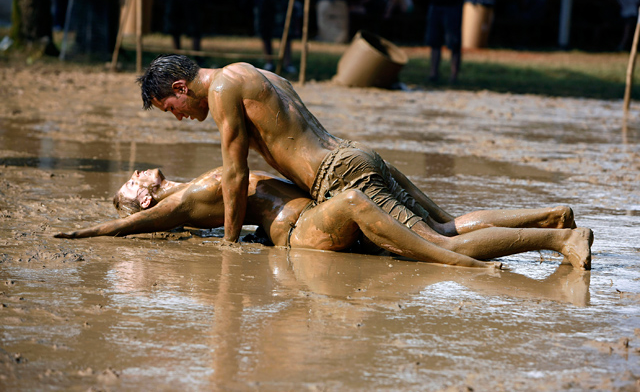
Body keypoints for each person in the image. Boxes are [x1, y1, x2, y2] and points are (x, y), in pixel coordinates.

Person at [136, 54, 592, 270]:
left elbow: (234, 175)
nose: (178, 119)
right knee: (448, 226)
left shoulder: (219, 92)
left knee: (442, 249)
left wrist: (229, 243)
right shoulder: (251, 72)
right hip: (356, 156)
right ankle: (553, 215)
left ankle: (561, 240)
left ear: (179, 88)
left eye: (169, 110)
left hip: (341, 175)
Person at [54, 168, 593, 270]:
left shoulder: (200, 185)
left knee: (442, 230)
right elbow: (122, 228)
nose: (132, 174)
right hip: (303, 232)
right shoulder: (185, 199)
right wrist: (87, 229)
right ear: (144, 201)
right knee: (440, 241)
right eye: (127, 188)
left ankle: (552, 223)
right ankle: (554, 237)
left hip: (310, 218)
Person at [423, 0, 470, 84]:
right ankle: (433, 73)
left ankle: (454, 75)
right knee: (434, 41)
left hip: (453, 4)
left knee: (454, 42)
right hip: (436, 2)